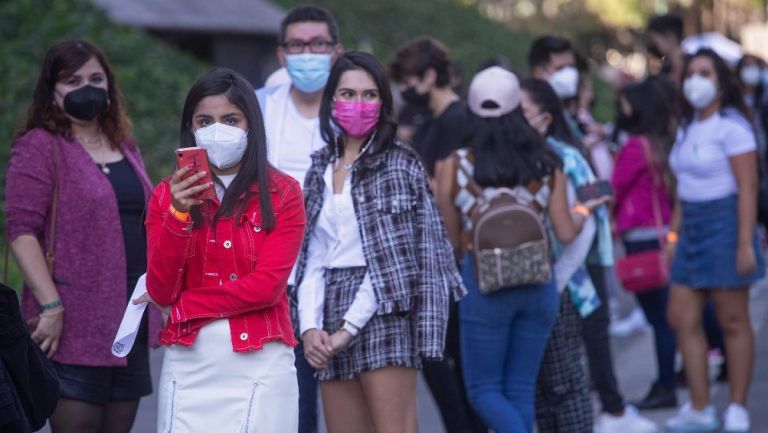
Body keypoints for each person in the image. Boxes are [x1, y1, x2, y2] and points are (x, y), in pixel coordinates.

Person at [294, 51, 464, 433]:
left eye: (369, 95)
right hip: (328, 308)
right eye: (348, 94)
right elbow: (313, 255)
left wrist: (347, 330)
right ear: (332, 100)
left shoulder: (400, 164)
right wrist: (309, 329)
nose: (358, 104)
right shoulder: (320, 165)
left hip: (386, 308)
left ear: (384, 103)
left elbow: (395, 262)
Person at [435, 66, 605, 433]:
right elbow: (564, 229)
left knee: (482, 390)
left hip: (484, 285)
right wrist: (583, 209)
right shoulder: (547, 161)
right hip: (538, 283)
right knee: (520, 388)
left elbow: (449, 240)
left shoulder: (454, 166)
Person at [5, 39, 160, 433]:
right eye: (72, 80)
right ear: (51, 90)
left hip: (131, 318)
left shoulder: (124, 144)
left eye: (96, 78)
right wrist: (51, 306)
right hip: (73, 323)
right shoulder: (39, 145)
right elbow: (22, 231)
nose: (86, 87)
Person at [141, 68, 305, 432]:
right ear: (191, 128)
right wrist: (180, 213)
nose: (218, 130)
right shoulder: (167, 196)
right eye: (205, 120)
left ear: (251, 125)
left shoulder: (283, 192)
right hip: (189, 361)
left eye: (230, 119)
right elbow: (161, 289)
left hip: (261, 358)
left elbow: (267, 288)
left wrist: (185, 307)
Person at [665, 48, 765, 433]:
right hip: (690, 224)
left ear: (720, 81)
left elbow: (748, 186)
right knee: (682, 316)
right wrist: (674, 233)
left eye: (705, 73)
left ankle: (737, 406)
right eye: (691, 73)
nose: (695, 81)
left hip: (725, 223)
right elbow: (682, 187)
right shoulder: (686, 125)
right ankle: (700, 405)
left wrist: (744, 242)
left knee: (732, 320)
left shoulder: (733, 127)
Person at [255, 6, 342, 433]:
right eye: (298, 45)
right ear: (282, 54)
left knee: (349, 404)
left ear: (336, 51)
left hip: (341, 276)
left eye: (318, 44)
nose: (308, 53)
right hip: (274, 277)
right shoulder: (256, 109)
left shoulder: (354, 112)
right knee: (290, 404)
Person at [390, 36, 483, 433]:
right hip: (431, 257)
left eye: (410, 80)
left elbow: (444, 191)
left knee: (450, 361)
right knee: (439, 360)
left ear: (430, 76)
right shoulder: (428, 122)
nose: (406, 91)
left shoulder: (457, 120)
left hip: (447, 258)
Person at [519, 77, 612, 433]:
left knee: (565, 385)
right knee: (539, 389)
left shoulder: (566, 158)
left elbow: (584, 226)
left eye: (521, 110)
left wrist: (556, 282)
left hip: (561, 288)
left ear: (544, 117)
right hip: (525, 287)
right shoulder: (509, 156)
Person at [611, 78, 678, 410]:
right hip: (661, 231)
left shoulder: (636, 146)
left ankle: (665, 384)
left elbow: (615, 186)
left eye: (626, 103)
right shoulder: (660, 141)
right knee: (665, 315)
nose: (621, 108)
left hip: (640, 236)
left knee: (658, 318)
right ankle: (668, 379)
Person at [390, 36, 469, 176]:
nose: (403, 90)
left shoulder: (457, 120)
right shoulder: (429, 118)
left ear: (430, 76)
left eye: (408, 82)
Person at [646, 14, 686, 86]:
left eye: (655, 42)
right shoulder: (665, 71)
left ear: (671, 38)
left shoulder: (693, 66)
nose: (653, 46)